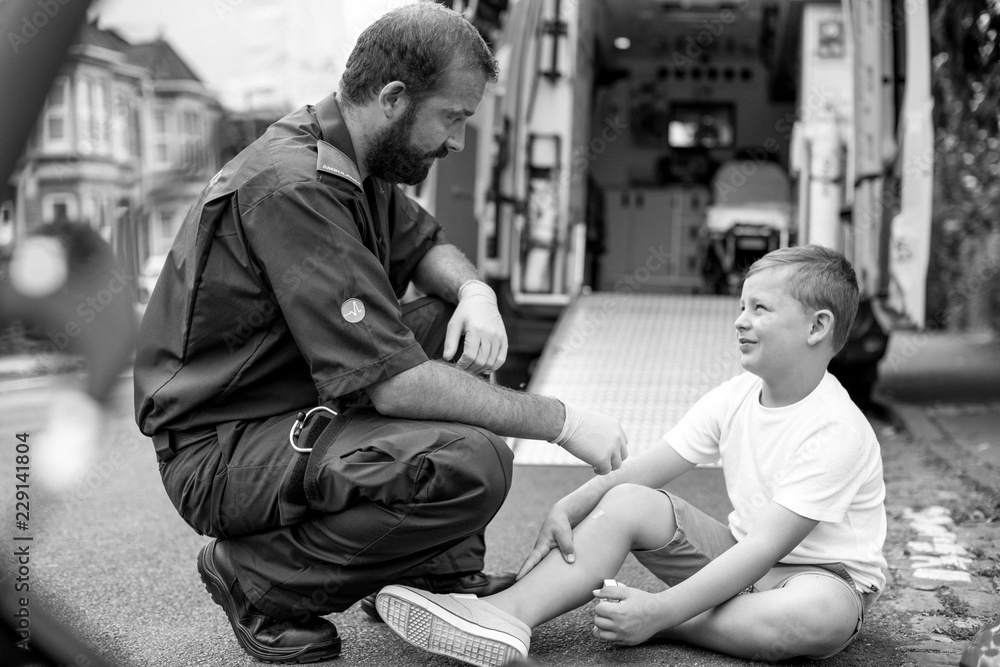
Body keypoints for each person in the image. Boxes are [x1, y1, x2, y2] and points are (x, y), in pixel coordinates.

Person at [131, 3, 628, 664]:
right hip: (223, 446)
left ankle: (435, 567)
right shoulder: (293, 186)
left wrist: (474, 292)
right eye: (452, 117)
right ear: (394, 98)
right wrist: (561, 420)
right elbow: (394, 387)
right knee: (469, 460)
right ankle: (258, 580)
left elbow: (425, 246)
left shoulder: (352, 160)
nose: (456, 141)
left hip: (286, 402)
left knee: (453, 336)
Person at [377, 245, 888, 666]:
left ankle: (673, 623)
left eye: (760, 309)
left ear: (817, 327)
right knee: (628, 499)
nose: (740, 322)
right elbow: (640, 473)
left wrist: (658, 611)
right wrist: (570, 505)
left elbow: (764, 551)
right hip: (737, 557)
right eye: (741, 306)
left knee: (820, 616)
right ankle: (504, 616)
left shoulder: (836, 429)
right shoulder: (734, 396)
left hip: (819, 578)